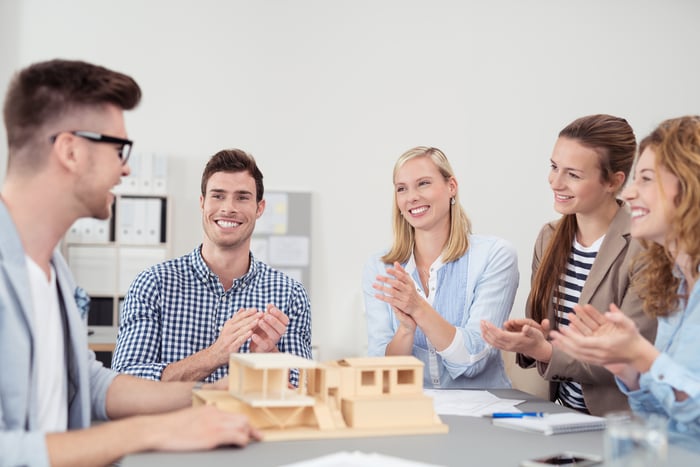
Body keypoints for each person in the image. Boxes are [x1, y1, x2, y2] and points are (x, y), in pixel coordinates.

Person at [0, 59, 260, 467]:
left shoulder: (53, 271)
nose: (126, 167)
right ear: (70, 150)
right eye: (119, 148)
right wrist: (153, 430)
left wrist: (214, 394)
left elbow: (90, 384)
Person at [480, 114, 656, 415]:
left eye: (573, 174)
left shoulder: (647, 249)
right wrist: (528, 339)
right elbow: (548, 336)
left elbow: (631, 358)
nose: (555, 182)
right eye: (553, 167)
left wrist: (545, 351)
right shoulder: (549, 238)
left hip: (620, 425)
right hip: (560, 415)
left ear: (614, 181)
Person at [550, 116, 700, 450]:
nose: (629, 194)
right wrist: (627, 369)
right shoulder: (676, 285)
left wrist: (642, 357)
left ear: (691, 187)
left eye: (645, 179)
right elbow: (660, 418)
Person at [112, 148, 312, 386]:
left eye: (242, 197)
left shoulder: (289, 294)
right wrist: (215, 354)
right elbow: (125, 383)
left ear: (260, 208)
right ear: (202, 203)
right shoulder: (153, 284)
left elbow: (303, 396)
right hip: (177, 424)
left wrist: (268, 358)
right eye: (218, 195)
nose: (228, 208)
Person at [363, 146, 519, 389]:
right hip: (414, 410)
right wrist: (405, 331)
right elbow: (382, 373)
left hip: (484, 413)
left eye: (423, 183)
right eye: (401, 189)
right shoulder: (380, 266)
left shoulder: (495, 255)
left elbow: (472, 359)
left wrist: (418, 308)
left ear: (451, 187)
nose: (411, 196)